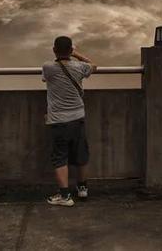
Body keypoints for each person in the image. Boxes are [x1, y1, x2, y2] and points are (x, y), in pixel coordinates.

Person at [42, 36, 97, 207]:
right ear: (71, 50)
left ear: (54, 50)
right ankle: (82, 189)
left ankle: (65, 196)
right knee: (81, 155)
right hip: (78, 118)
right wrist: (77, 54)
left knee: (60, 157)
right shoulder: (79, 67)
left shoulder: (48, 68)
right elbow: (94, 66)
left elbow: (46, 79)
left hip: (58, 121)